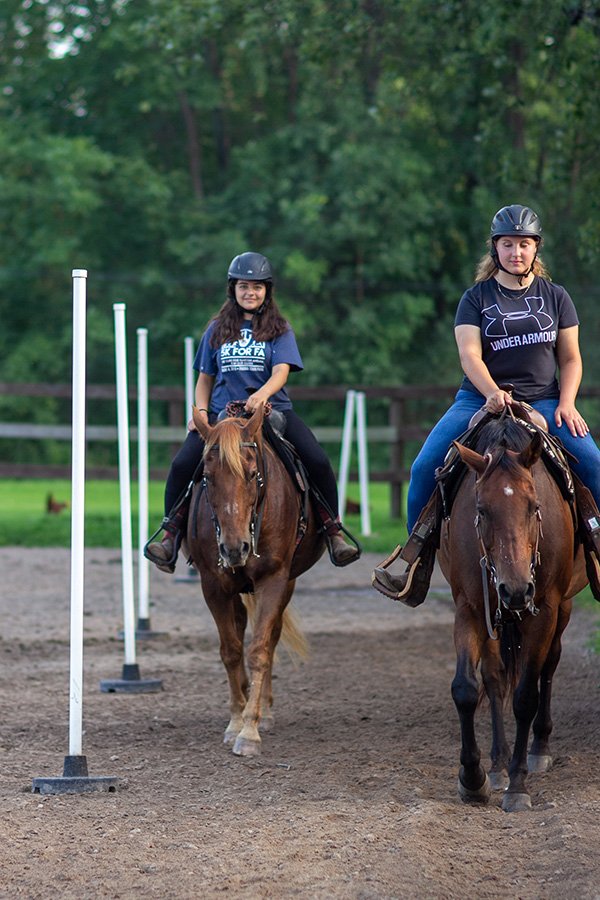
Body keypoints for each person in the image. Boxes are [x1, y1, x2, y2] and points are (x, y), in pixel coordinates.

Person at [373, 203, 600, 605]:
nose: (516, 252)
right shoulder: (475, 298)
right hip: (479, 398)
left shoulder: (557, 296)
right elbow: (470, 355)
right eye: (508, 244)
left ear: (536, 249)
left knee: (594, 463)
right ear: (495, 249)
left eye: (525, 244)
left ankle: (596, 555)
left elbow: (570, 358)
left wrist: (567, 402)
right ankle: (415, 561)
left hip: (545, 401)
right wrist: (493, 391)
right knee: (424, 466)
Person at [145, 251, 361, 573]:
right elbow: (205, 379)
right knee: (181, 465)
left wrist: (262, 394)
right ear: (232, 289)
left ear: (267, 291)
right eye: (244, 286)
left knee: (316, 459)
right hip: (221, 418)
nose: (250, 292)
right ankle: (170, 535)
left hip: (273, 412)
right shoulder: (216, 330)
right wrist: (201, 413)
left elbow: (281, 372)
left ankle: (332, 531)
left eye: (257, 287)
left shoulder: (279, 329)